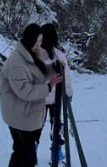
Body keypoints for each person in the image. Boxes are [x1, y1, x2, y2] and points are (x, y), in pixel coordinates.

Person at [0, 24, 64, 167]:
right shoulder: (17, 62)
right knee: (25, 156)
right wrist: (48, 86)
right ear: (31, 40)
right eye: (39, 41)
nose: (40, 45)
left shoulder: (29, 55)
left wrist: (53, 69)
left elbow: (38, 75)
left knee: (22, 153)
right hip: (19, 115)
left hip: (24, 113)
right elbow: (25, 90)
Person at [40, 24, 74, 167]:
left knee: (35, 127)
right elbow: (66, 76)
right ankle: (57, 152)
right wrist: (69, 94)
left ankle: (30, 153)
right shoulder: (59, 53)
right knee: (56, 125)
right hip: (56, 99)